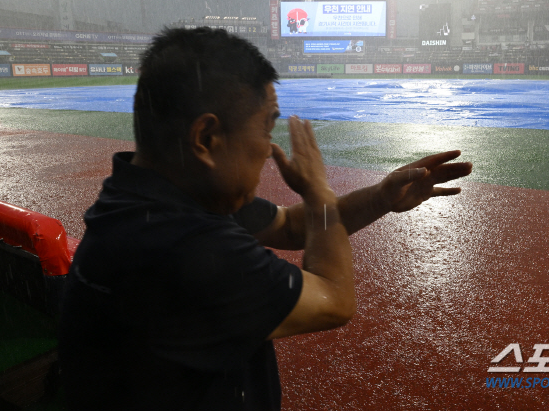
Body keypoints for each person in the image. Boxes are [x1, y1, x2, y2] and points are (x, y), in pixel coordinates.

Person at [58, 27, 472, 411]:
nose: (269, 149)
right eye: (264, 126)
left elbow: (293, 227)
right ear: (206, 139)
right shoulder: (187, 249)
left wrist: (380, 198)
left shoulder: (148, 197)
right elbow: (334, 300)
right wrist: (318, 191)